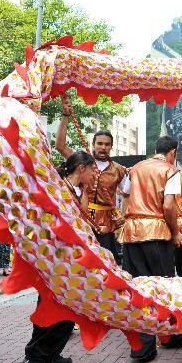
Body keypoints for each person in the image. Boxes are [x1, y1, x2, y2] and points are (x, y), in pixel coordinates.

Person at [24, 151, 94, 363]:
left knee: (62, 311)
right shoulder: (60, 190)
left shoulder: (71, 190)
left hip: (63, 261)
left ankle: (49, 355)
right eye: (92, 170)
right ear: (81, 168)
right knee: (55, 310)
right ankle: (38, 356)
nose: (93, 176)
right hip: (57, 260)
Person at [121, 136, 182, 360]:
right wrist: (176, 231)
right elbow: (168, 206)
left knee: (137, 290)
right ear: (173, 152)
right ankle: (170, 336)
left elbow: (125, 197)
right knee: (162, 287)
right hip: (157, 233)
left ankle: (141, 348)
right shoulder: (170, 170)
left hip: (130, 233)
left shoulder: (135, 169)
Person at [57, 95, 130, 261]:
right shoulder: (81, 161)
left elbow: (127, 194)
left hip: (106, 227)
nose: (103, 147)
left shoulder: (119, 170)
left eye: (107, 144)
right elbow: (60, 146)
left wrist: (122, 216)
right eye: (100, 144)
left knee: (106, 265)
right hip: (80, 221)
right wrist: (65, 116)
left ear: (111, 146)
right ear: (93, 145)